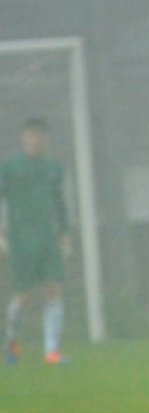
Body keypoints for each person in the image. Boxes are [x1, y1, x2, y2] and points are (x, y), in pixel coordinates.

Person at [0, 118, 71, 365]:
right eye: (32, 134)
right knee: (24, 295)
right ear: (23, 137)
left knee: (54, 288)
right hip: (21, 240)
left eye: (41, 135)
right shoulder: (9, 168)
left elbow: (59, 203)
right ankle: (11, 341)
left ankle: (52, 351)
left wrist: (64, 232)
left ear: (47, 138)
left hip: (48, 239)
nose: (37, 139)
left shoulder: (53, 168)